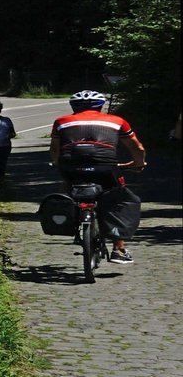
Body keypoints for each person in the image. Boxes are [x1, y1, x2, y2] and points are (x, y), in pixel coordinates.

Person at [52, 90, 148, 264]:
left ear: (73, 106)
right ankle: (119, 249)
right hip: (106, 168)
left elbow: (55, 149)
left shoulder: (61, 122)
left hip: (72, 167)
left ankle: (67, 220)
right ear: (101, 106)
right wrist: (138, 163)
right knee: (117, 197)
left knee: (66, 187)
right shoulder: (117, 121)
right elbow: (138, 148)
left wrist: (58, 164)